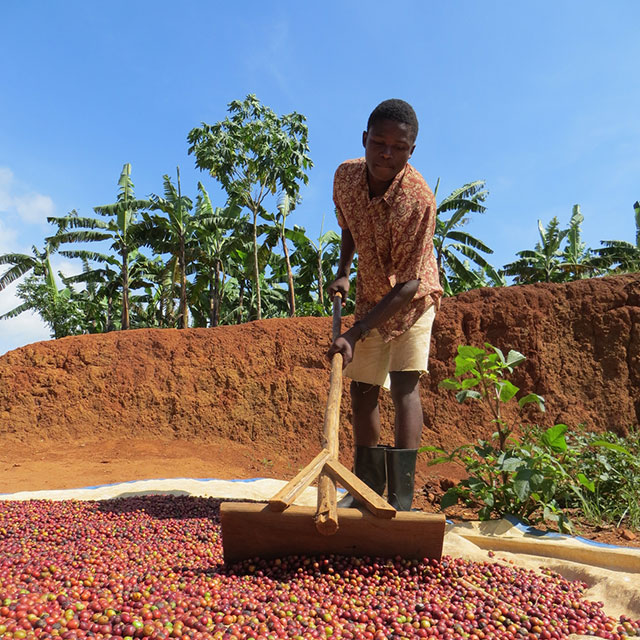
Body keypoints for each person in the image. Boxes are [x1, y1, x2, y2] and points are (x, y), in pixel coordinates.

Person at [326, 98, 442, 511]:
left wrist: (356, 332)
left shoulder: (418, 200)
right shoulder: (346, 177)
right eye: (378, 142)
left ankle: (401, 497)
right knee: (362, 389)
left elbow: (409, 284)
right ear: (365, 139)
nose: (386, 153)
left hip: (412, 300)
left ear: (412, 151)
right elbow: (350, 226)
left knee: (405, 385)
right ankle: (366, 490)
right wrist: (343, 269)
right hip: (372, 296)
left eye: (398, 146)